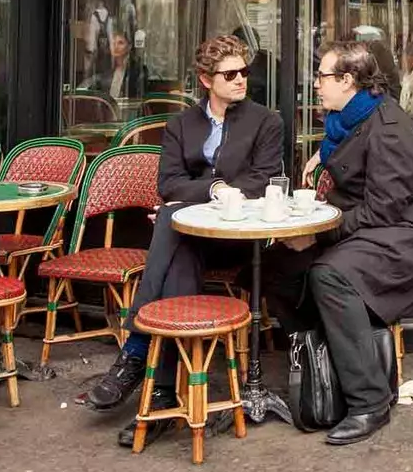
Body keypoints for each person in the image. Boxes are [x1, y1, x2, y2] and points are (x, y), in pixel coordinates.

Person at [84, 35, 283, 448]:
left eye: (245, 71)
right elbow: (167, 183)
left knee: (171, 220)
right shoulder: (180, 124)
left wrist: (196, 195)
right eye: (230, 74)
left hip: (237, 235)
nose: (241, 80)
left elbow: (260, 180)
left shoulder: (266, 121)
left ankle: (136, 354)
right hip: (190, 236)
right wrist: (213, 190)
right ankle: (161, 394)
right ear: (206, 79)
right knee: (177, 240)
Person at [264, 40, 413, 446]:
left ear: (347, 80)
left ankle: (369, 402)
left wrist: (317, 232)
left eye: (323, 77)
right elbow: (349, 163)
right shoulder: (349, 118)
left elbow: (382, 211)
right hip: (367, 224)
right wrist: (322, 161)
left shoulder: (390, 129)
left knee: (329, 275)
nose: (316, 85)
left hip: (403, 235)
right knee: (276, 268)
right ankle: (322, 367)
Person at [86, 31, 148, 102]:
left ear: (129, 46)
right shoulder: (104, 68)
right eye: (113, 43)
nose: (116, 46)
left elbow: (138, 98)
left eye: (120, 43)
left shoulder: (138, 70)